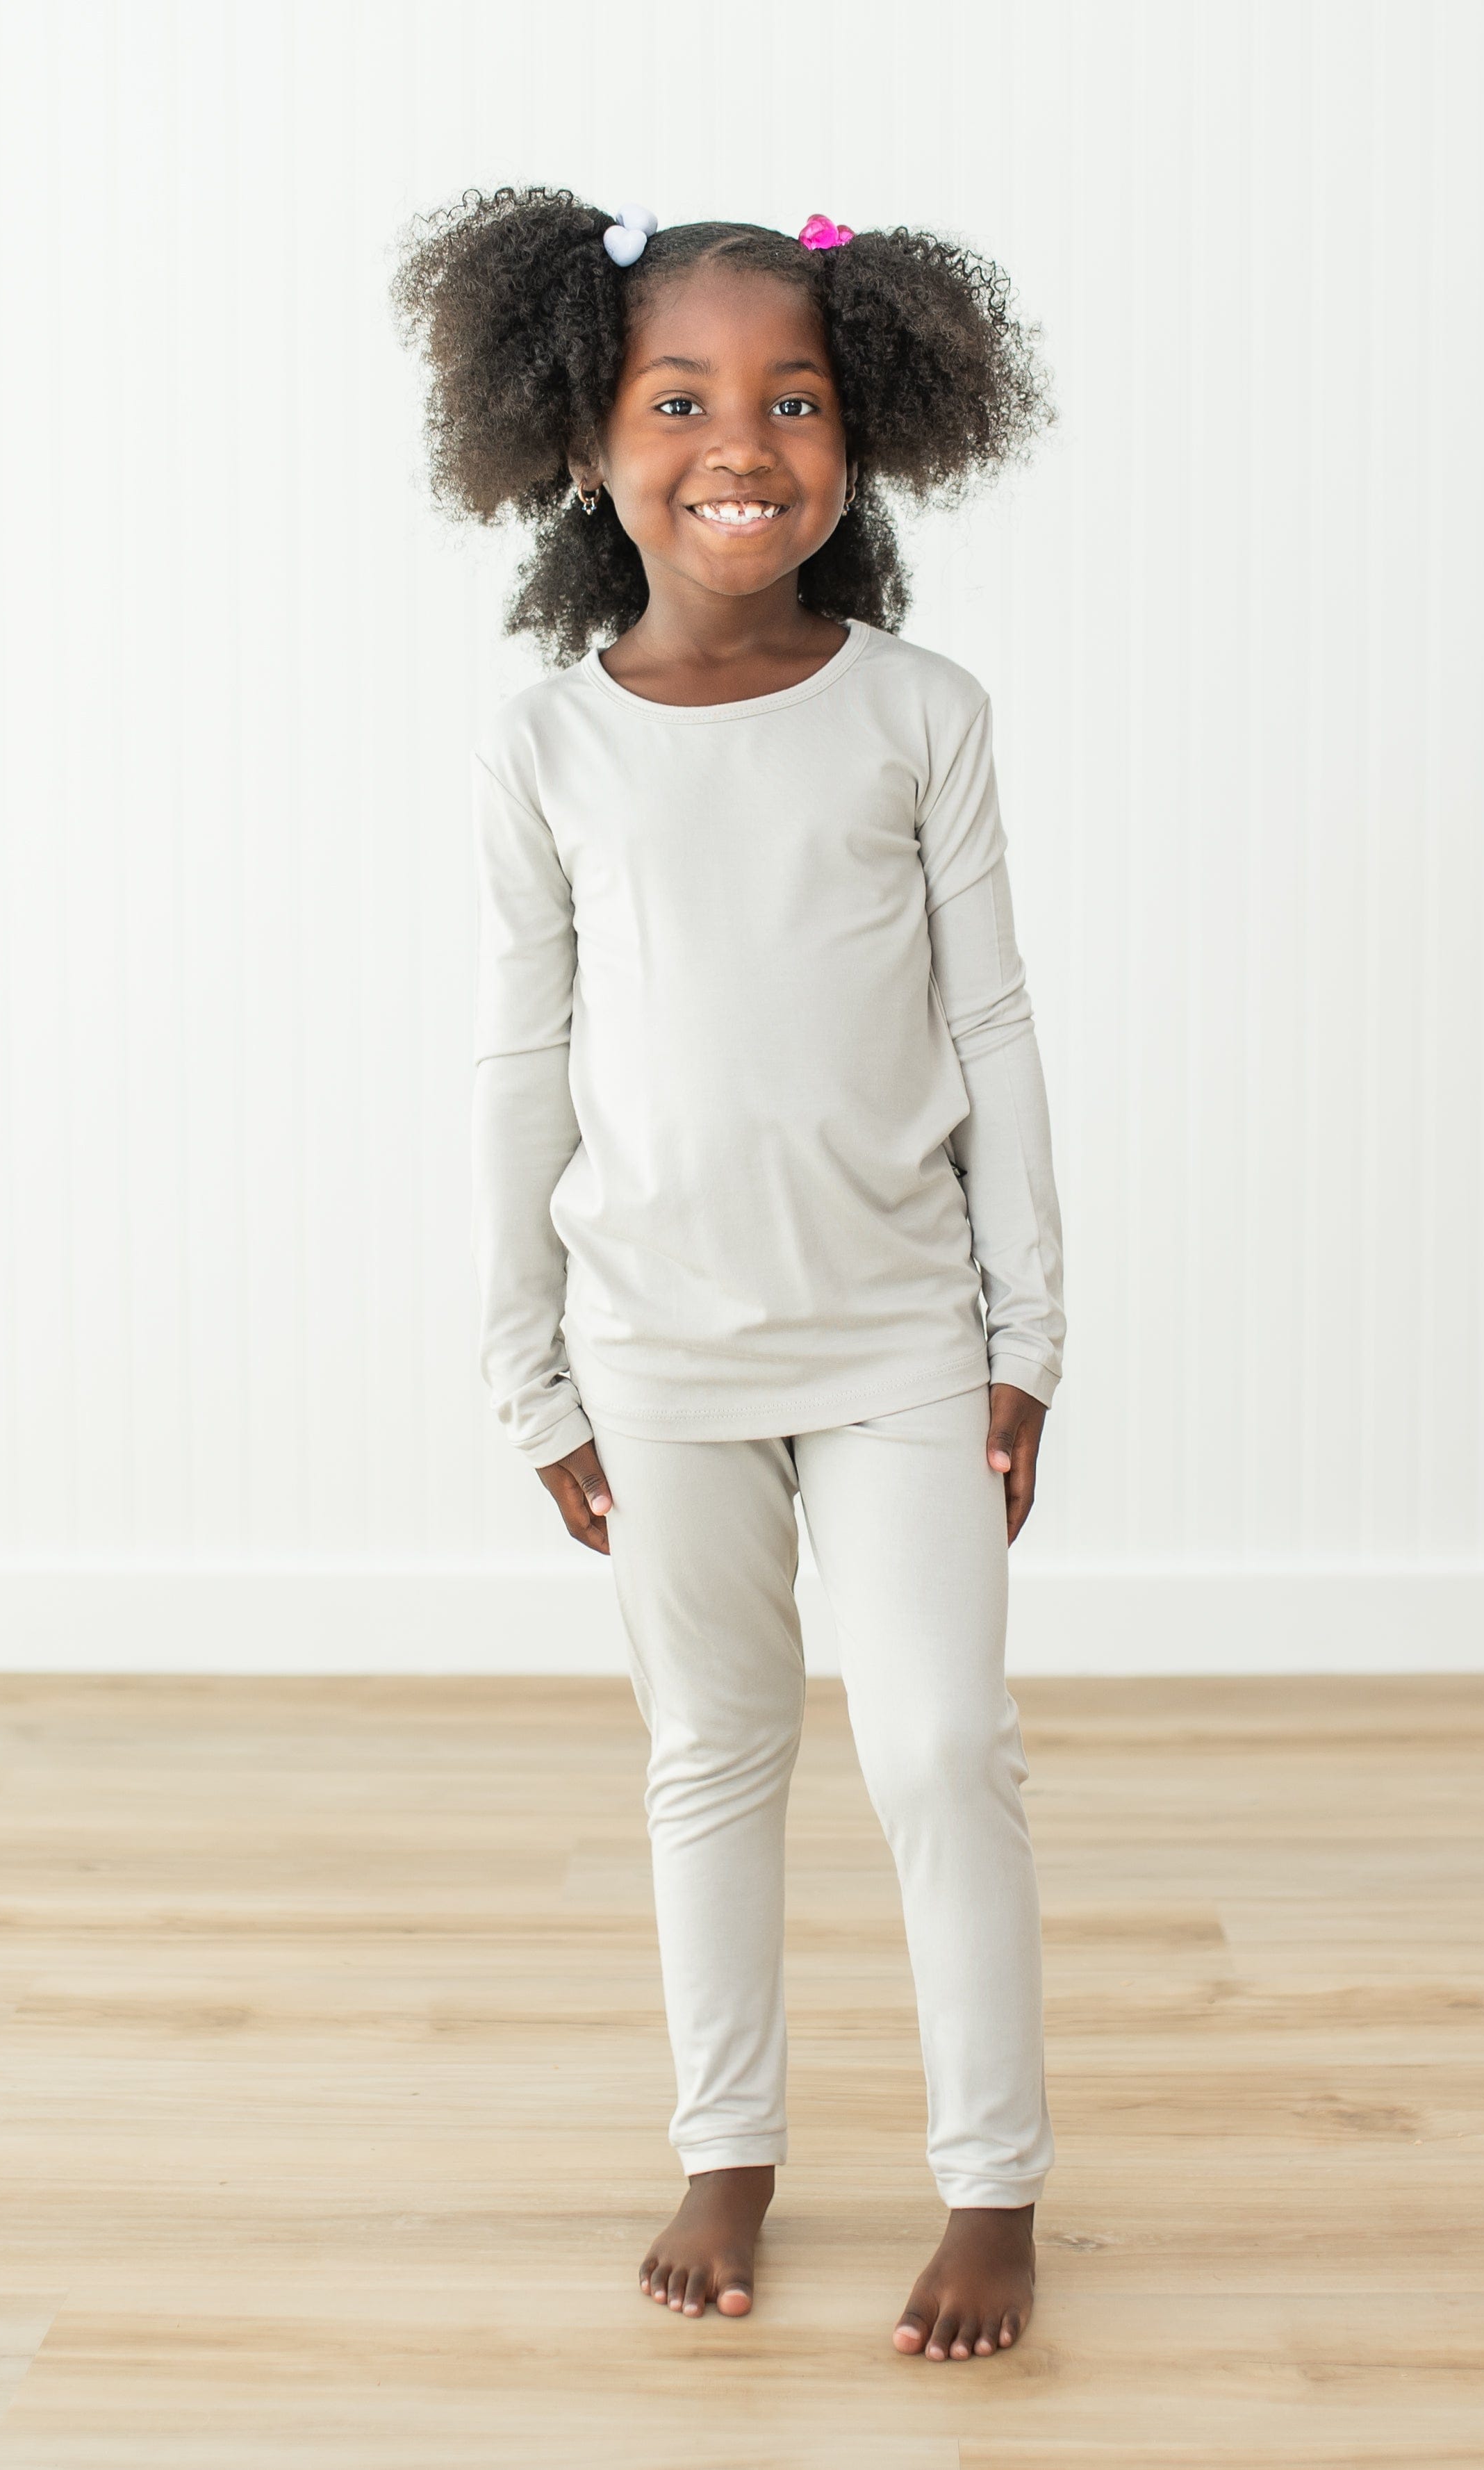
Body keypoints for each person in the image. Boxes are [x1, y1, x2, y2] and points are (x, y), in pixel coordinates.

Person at [390, 188, 1066, 2364]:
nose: (738, 442)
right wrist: (528, 1369)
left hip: (895, 1333)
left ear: (863, 434)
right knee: (713, 1745)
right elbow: (519, 1064)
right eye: (677, 400)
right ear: (584, 440)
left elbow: (991, 1036)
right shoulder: (543, 744)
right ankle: (729, 2144)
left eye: (790, 398)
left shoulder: (919, 714)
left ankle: (995, 2184)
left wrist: (1026, 1331)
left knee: (943, 1746)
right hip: (653, 1344)